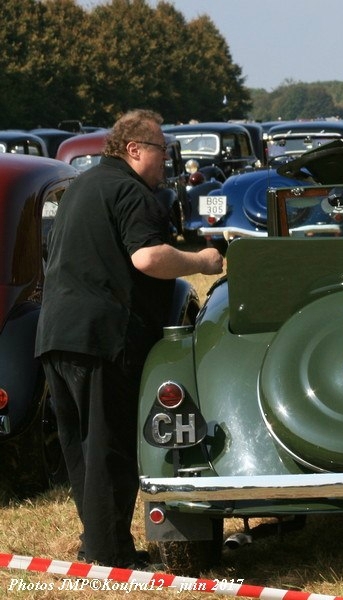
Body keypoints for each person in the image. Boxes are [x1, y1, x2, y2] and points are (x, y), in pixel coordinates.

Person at [35, 109, 224, 569]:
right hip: (102, 337)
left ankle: (98, 545)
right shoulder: (132, 192)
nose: (166, 160)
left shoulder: (80, 187)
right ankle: (109, 555)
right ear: (134, 150)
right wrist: (201, 261)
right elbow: (147, 258)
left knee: (80, 448)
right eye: (161, 150)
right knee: (109, 447)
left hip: (55, 333)